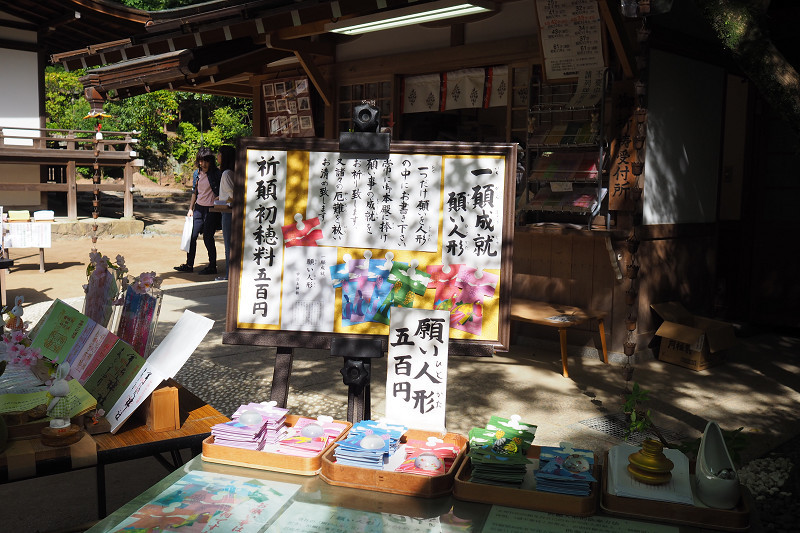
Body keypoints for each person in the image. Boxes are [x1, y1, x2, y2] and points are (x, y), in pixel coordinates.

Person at [174, 147, 222, 275]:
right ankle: (189, 265)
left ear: (211, 161)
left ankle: (212, 266)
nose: (203, 164)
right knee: (192, 236)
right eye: (201, 161)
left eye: (206, 161)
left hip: (212, 209)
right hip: (198, 209)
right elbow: (195, 192)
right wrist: (190, 208)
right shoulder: (197, 174)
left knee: (207, 237)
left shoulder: (217, 174)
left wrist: (219, 197)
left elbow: (223, 191)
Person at [216, 145, 236, 281]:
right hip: (230, 212)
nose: (217, 156)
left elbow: (233, 195)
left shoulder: (226, 173)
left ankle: (229, 275)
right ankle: (230, 274)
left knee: (228, 245)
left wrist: (223, 200)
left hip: (228, 212)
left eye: (219, 154)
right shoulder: (233, 172)